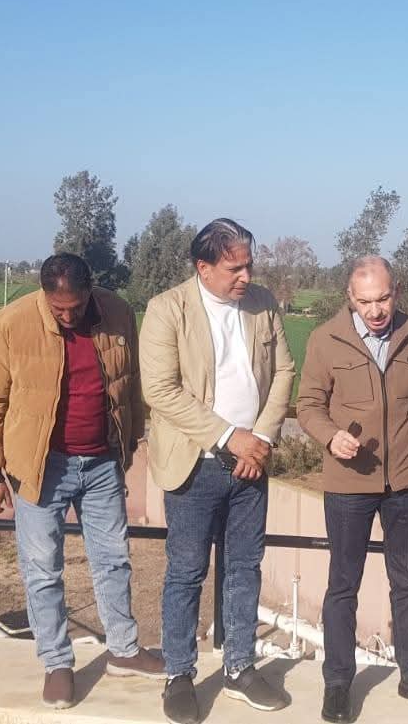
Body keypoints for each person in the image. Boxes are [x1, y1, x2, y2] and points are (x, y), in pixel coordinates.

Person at [0, 252, 163, 709]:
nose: (68, 316)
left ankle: (123, 650)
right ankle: (56, 663)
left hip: (102, 464)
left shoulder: (117, 313)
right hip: (40, 467)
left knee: (113, 560)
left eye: (76, 307)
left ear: (90, 291)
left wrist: (129, 443)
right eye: (59, 310)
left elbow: (129, 384)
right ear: (44, 295)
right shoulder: (8, 325)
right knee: (42, 569)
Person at [140, 218, 296, 724]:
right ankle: (179, 674)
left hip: (252, 464)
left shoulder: (262, 303)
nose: (246, 276)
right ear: (203, 267)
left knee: (245, 567)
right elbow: (160, 390)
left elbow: (285, 371)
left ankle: (239, 668)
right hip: (196, 466)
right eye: (235, 268)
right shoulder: (167, 309)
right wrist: (231, 437)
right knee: (186, 572)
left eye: (249, 265)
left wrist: (261, 439)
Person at [296, 256, 408, 723]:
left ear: (396, 292)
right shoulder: (325, 339)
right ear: (350, 297)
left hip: (406, 479)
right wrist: (330, 436)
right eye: (365, 301)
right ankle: (337, 683)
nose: (375, 310)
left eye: (383, 299)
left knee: (406, 582)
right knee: (342, 585)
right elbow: (308, 405)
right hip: (348, 483)